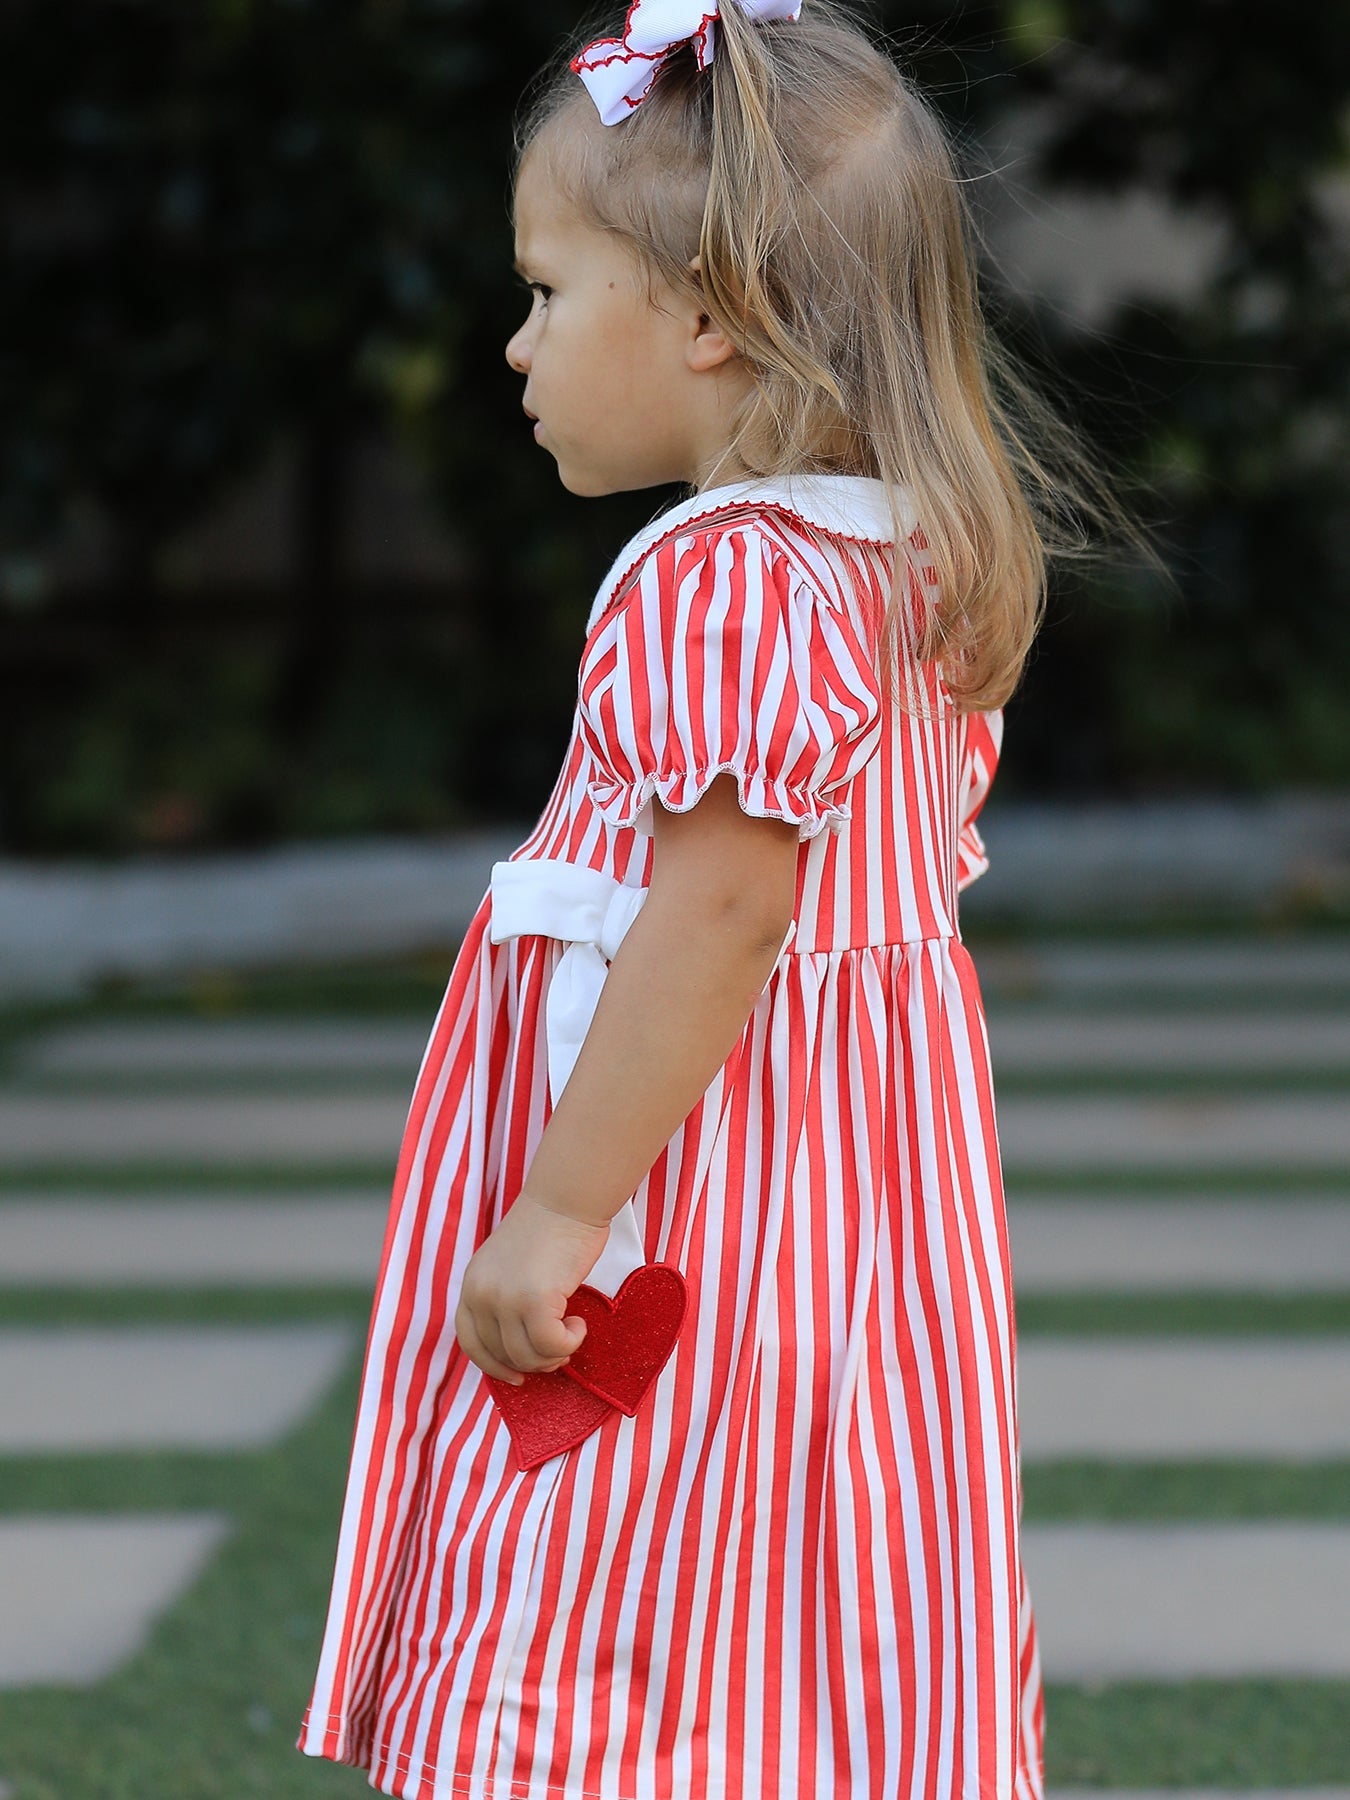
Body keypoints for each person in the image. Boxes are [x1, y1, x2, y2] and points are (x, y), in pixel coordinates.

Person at [297, 1, 1104, 1793]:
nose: (514, 344)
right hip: (851, 1222)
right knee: (795, 1577)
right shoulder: (903, 554)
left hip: (688, 1195)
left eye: (545, 292)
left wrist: (558, 1212)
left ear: (704, 317)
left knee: (598, 1578)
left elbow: (724, 914)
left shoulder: (723, 583)